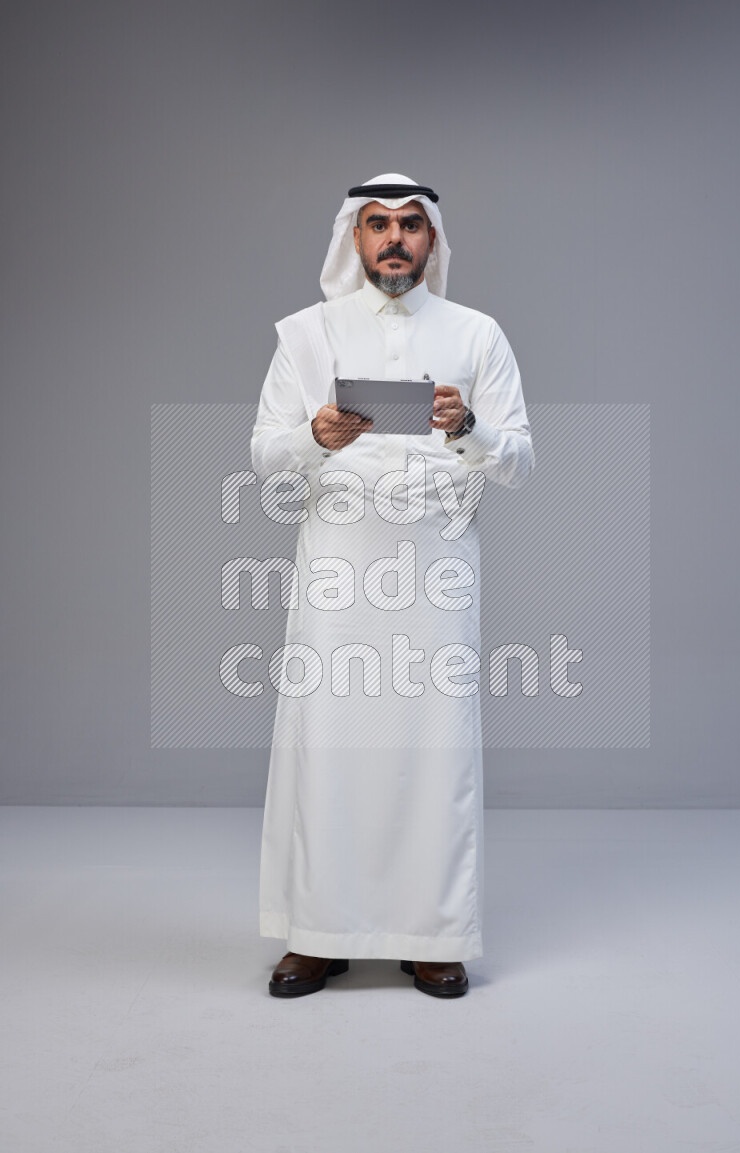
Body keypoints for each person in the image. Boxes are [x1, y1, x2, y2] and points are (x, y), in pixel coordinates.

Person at [250, 172, 534, 998]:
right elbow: (263, 454)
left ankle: (433, 934)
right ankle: (317, 934)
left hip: (437, 571)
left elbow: (519, 461)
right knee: (327, 744)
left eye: (411, 224)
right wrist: (316, 434)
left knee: (433, 749)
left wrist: (467, 426)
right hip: (338, 569)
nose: (395, 238)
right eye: (378, 224)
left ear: (432, 238)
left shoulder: (477, 334)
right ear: (355, 237)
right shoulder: (308, 335)